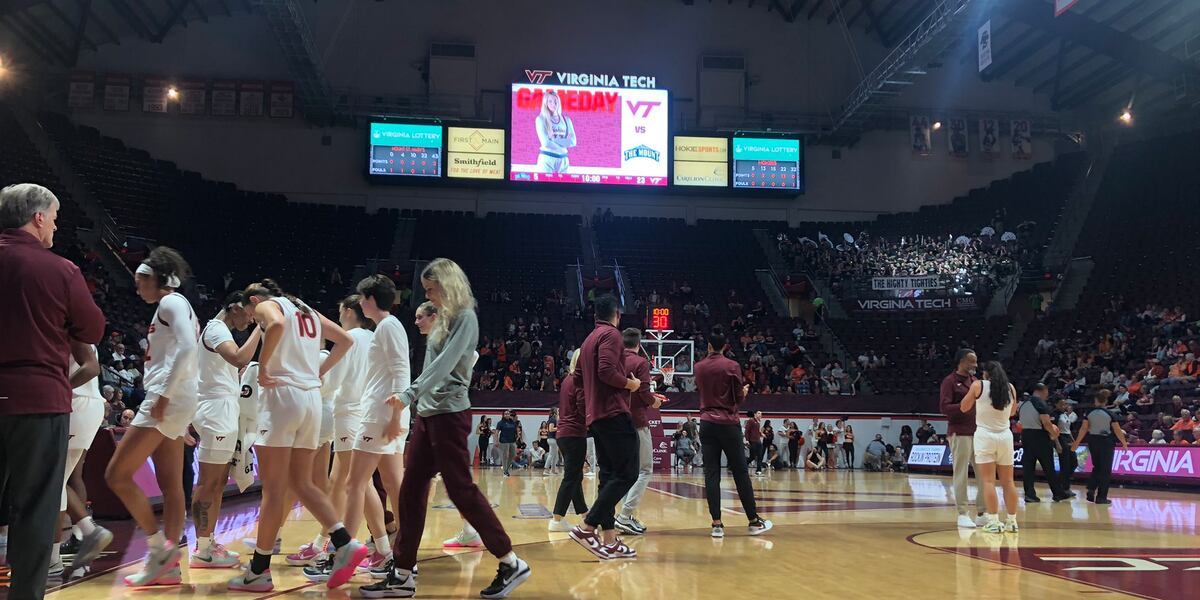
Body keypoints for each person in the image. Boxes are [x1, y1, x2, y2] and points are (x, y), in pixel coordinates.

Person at [361, 258, 530, 599]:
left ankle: (509, 560)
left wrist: (409, 393)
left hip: (451, 415)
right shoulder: (441, 320)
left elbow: (446, 364)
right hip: (429, 414)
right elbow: (433, 367)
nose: (427, 296)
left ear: (447, 284)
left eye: (431, 289)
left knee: (460, 489)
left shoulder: (466, 317)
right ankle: (403, 572)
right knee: (410, 491)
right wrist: (418, 403)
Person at [0, 183, 105, 599]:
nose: (56, 228)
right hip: (38, 400)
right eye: (55, 219)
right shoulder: (59, 270)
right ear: (38, 217)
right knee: (36, 511)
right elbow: (93, 330)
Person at [229, 279, 365, 592]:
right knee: (302, 483)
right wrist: (318, 371)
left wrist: (263, 367)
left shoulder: (269, 306)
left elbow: (274, 323)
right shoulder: (307, 310)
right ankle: (344, 542)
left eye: (251, 312)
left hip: (282, 399)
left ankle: (259, 572)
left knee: (274, 491)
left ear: (255, 299)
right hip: (311, 402)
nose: (252, 318)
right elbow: (344, 341)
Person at [98, 248, 201, 587]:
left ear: (161, 279)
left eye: (142, 279)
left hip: (165, 397)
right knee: (172, 486)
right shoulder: (173, 305)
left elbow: (188, 348)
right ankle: (169, 568)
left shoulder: (171, 303)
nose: (137, 285)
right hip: (177, 398)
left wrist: (166, 395)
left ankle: (158, 549)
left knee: (116, 474)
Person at [324, 275, 410, 580]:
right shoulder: (385, 328)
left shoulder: (387, 326)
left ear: (371, 300)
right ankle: (400, 555)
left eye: (362, 298)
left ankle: (344, 553)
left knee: (354, 482)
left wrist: (396, 415)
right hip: (383, 411)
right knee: (391, 483)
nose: (359, 303)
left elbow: (402, 372)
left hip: (380, 412)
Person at [286, 294, 377, 567]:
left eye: (340, 309)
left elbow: (332, 382)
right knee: (341, 482)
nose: (338, 314)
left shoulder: (351, 339)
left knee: (358, 484)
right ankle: (324, 543)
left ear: (349, 311)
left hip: (349, 413)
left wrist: (309, 382)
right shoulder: (371, 338)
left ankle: (373, 547)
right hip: (360, 413)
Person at [568, 295, 643, 560]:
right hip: (613, 412)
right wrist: (630, 385)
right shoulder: (612, 335)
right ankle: (587, 527)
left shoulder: (588, 340)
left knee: (609, 476)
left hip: (596, 416)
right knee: (628, 473)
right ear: (617, 315)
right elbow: (606, 371)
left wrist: (588, 409)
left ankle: (609, 539)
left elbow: (577, 380)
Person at [190, 292, 262, 569]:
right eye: (249, 313)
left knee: (217, 483)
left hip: (222, 409)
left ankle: (208, 545)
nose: (251, 318)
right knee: (209, 483)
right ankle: (202, 549)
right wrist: (261, 328)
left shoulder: (219, 330)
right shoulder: (217, 328)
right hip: (216, 412)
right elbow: (238, 357)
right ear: (234, 307)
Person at [695, 326, 773, 539]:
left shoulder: (699, 367)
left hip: (706, 422)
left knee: (711, 473)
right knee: (740, 472)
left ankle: (717, 524)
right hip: (728, 423)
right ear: (725, 346)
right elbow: (737, 398)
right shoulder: (732, 365)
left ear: (709, 345)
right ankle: (753, 521)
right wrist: (744, 392)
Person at [50, 343, 111, 579]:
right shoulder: (81, 331)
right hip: (86, 403)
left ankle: (85, 531)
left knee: (54, 479)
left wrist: (60, 389)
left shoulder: (70, 328)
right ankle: (79, 535)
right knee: (66, 478)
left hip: (77, 402)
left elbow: (91, 368)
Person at [959, 361, 1020, 533]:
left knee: (988, 481)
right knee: (1008, 481)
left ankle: (993, 520)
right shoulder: (1011, 388)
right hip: (1005, 436)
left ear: (985, 374)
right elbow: (1013, 411)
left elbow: (964, 407)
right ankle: (1012, 521)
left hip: (985, 436)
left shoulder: (978, 385)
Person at [615, 328, 661, 537]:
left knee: (624, 472)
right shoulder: (640, 362)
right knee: (645, 470)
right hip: (637, 421)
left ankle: (624, 516)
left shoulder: (613, 360)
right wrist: (655, 402)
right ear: (638, 344)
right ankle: (625, 515)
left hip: (617, 421)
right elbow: (643, 392)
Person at [940, 348, 984, 529]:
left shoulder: (975, 381)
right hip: (959, 432)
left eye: (976, 361)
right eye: (971, 361)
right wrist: (963, 406)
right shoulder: (949, 381)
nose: (975, 365)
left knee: (984, 474)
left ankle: (983, 512)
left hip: (979, 432)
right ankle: (963, 513)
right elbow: (944, 408)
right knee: (961, 474)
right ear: (961, 362)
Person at [549, 351, 589, 532]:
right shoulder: (580, 381)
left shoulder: (567, 380)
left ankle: (585, 515)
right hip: (574, 433)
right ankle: (556, 519)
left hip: (564, 433)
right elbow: (583, 408)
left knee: (575, 476)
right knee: (571, 477)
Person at [1071, 390, 1129, 505]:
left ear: (1095, 400)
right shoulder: (1110, 414)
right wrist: (1124, 443)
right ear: (1106, 401)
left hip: (1092, 440)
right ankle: (1101, 497)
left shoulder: (1089, 413)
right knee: (1105, 470)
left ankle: (1091, 489)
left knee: (1096, 466)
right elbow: (1117, 430)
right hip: (1106, 442)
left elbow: (1083, 429)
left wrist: (1077, 442)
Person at [1017, 384, 1071, 503]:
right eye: (1046, 392)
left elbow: (1019, 423)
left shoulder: (1022, 404)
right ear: (1043, 391)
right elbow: (1046, 423)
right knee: (1048, 466)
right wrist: (1054, 433)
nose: (1047, 395)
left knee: (1028, 467)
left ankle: (1029, 494)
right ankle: (1057, 493)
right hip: (1040, 437)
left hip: (1026, 435)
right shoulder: (1040, 403)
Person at [535, 90, 576, 174]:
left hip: (563, 160)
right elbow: (546, 143)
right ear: (545, 103)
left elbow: (573, 142)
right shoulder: (541, 119)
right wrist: (564, 142)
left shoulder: (566, 120)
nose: (553, 104)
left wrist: (553, 139)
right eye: (550, 101)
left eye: (555, 101)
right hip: (547, 159)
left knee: (566, 186)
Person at [1052, 398, 1079, 494]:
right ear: (1056, 404)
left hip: (1068, 438)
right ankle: (1065, 488)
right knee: (1065, 464)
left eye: (1065, 404)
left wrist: (1074, 441)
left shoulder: (1065, 414)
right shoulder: (1055, 415)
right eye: (1062, 404)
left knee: (1074, 463)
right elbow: (1053, 430)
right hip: (1060, 438)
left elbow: (1068, 429)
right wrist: (1057, 443)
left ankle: (1059, 482)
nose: (1064, 406)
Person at [496, 410, 519, 476]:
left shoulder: (512, 422)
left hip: (512, 440)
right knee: (505, 456)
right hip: (504, 441)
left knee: (513, 455)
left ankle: (506, 469)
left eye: (508, 414)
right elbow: (496, 432)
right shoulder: (500, 423)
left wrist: (517, 436)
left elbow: (516, 429)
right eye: (505, 414)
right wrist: (496, 441)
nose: (507, 415)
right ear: (503, 415)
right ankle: (505, 472)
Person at [745, 410, 764, 476]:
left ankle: (758, 470)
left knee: (760, 456)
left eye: (761, 414)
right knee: (752, 457)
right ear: (755, 414)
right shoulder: (751, 421)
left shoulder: (758, 422)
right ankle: (742, 465)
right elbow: (747, 431)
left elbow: (757, 431)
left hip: (758, 441)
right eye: (759, 413)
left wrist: (761, 434)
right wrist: (747, 440)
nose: (760, 415)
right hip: (752, 441)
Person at [543, 408, 560, 476]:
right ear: (555, 412)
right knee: (551, 454)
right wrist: (559, 427)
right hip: (552, 439)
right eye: (558, 410)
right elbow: (551, 429)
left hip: (553, 439)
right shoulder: (552, 419)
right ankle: (546, 469)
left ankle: (553, 470)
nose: (559, 411)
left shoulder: (554, 419)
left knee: (555, 455)